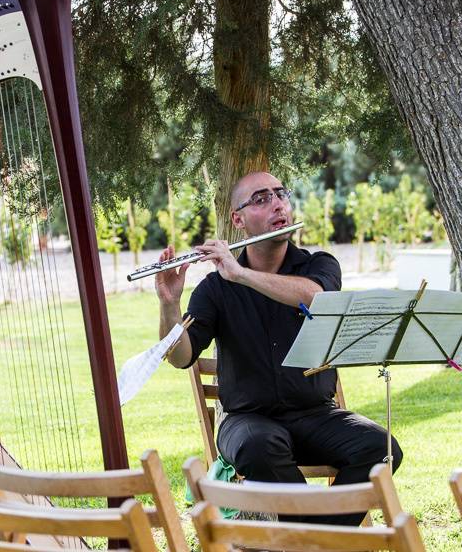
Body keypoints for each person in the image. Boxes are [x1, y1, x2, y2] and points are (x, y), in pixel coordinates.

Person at [156, 171, 401, 525]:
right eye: (261, 198)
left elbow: (316, 298)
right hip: (247, 422)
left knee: (382, 449)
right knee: (260, 447)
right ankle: (326, 543)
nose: (277, 204)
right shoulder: (215, 289)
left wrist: (241, 275)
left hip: (315, 415)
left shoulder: (318, 266)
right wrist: (169, 304)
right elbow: (180, 357)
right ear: (238, 220)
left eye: (280, 195)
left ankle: (315, 543)